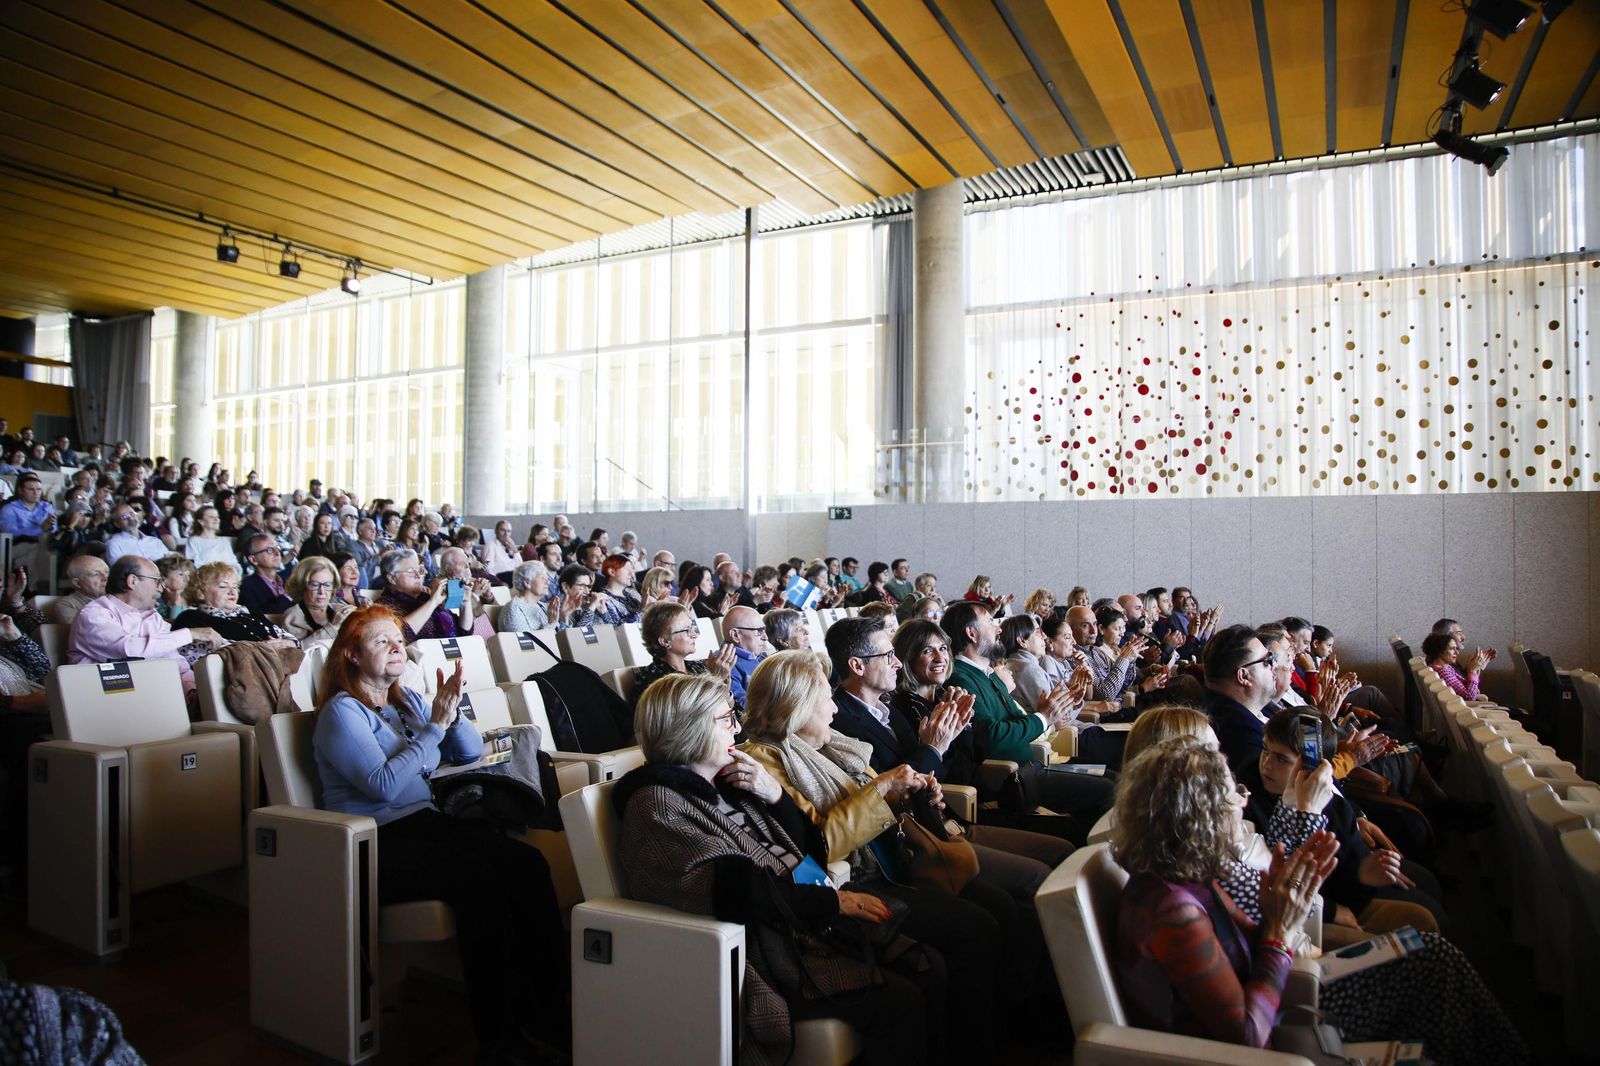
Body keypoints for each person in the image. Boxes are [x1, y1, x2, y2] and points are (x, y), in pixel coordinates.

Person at [615, 672, 946, 1066]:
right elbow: (735, 891)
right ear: (692, 729)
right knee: (903, 999)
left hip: (803, 922)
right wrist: (834, 904)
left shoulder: (730, 783)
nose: (736, 727)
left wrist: (775, 796)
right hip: (768, 953)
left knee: (928, 963)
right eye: (726, 719)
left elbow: (811, 852)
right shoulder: (656, 805)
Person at [313, 606, 569, 1061]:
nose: (396, 646)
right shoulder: (343, 713)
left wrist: (447, 712)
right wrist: (433, 729)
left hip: (426, 823)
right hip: (376, 841)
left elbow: (469, 750)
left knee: (526, 863)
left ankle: (548, 1009)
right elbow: (383, 786)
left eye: (398, 639)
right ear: (351, 655)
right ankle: (499, 1037)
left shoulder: (406, 700)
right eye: (380, 641)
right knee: (479, 880)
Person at [737, 650, 1005, 1064]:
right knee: (975, 928)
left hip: (893, 860)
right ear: (795, 707)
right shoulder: (765, 760)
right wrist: (880, 789)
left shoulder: (828, 747)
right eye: (824, 698)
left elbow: (865, 807)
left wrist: (914, 796)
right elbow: (820, 841)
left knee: (992, 907)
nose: (832, 707)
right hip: (854, 882)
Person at [941, 600, 1116, 833]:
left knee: (1112, 778)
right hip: (1012, 781)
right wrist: (1043, 717)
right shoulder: (962, 679)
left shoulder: (988, 675)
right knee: (1108, 791)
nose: (998, 629)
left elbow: (1017, 720)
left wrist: (1049, 715)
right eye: (991, 623)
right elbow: (991, 737)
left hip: (1030, 769)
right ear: (971, 634)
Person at [68, 556, 224, 697]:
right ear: (132, 581)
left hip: (149, 694)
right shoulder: (93, 614)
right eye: (156, 580)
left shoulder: (153, 617)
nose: (161, 588)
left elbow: (176, 663)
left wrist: (192, 690)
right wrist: (189, 634)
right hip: (102, 695)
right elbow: (128, 650)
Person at [630, 602, 735, 710]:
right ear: (665, 641)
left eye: (692, 628)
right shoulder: (653, 681)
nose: (695, 635)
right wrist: (716, 680)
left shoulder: (698, 666)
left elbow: (731, 710)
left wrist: (724, 688)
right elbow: (689, 719)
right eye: (686, 630)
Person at [172, 562, 297, 646]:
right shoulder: (190, 618)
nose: (232, 591)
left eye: (235, 587)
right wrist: (264, 649)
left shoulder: (248, 612)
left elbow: (291, 639)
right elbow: (210, 653)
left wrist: (286, 643)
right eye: (223, 586)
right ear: (200, 593)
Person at [375, 548, 466, 643]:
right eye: (410, 571)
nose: (418, 575)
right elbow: (400, 636)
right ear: (392, 578)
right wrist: (432, 603)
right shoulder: (384, 605)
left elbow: (464, 632)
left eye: (420, 570)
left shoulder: (426, 596)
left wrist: (466, 603)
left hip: (455, 653)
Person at [280, 556, 355, 648]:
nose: (321, 591)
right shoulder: (292, 617)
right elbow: (301, 650)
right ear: (301, 586)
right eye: (315, 585)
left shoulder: (340, 609)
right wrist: (334, 627)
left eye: (327, 585)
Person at [720, 605, 768, 707]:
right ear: (736, 635)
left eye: (764, 630)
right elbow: (743, 707)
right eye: (759, 631)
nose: (765, 637)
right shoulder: (725, 666)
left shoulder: (760, 655)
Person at [45, 553, 109, 626]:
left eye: (107, 572)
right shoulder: (68, 605)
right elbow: (86, 632)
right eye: (96, 574)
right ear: (77, 583)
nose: (105, 577)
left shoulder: (116, 598)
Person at [1423, 631, 1488, 701]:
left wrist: (1476, 668)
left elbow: (1472, 690)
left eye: (1456, 648)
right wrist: (1472, 671)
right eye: (1451, 649)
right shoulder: (1442, 673)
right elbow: (1469, 697)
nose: (1457, 652)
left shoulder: (1445, 667)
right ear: (1440, 652)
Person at [239, 535, 294, 614]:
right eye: (270, 550)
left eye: (277, 548)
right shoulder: (247, 586)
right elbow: (256, 616)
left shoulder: (288, 580)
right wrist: (286, 598)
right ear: (253, 559)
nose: (278, 553)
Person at [103, 503, 167, 564]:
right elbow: (120, 570)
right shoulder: (114, 544)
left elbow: (170, 560)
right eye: (124, 517)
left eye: (132, 513)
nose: (130, 518)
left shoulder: (155, 541)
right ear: (117, 524)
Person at [0, 474, 56, 542]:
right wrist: (40, 528)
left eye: (39, 489)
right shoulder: (9, 509)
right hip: (20, 547)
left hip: (47, 543)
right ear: (20, 490)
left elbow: (54, 529)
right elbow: (10, 534)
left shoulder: (47, 506)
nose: (36, 493)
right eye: (31, 489)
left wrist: (50, 527)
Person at [497, 562, 550, 633]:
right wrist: (551, 624)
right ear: (527, 583)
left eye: (547, 578)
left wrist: (565, 616)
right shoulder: (514, 609)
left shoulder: (543, 606)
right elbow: (527, 642)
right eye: (542, 578)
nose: (547, 582)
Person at [183, 504, 239, 570]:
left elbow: (233, 563)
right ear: (201, 521)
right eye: (211, 516)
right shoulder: (194, 540)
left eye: (217, 517)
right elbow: (194, 564)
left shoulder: (224, 541)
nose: (216, 519)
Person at [593, 555, 643, 625]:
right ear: (611, 572)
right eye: (626, 569)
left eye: (632, 569)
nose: (631, 574)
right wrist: (642, 608)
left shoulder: (632, 593)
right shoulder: (603, 599)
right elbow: (617, 627)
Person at [155, 553, 193, 621]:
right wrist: (176, 603)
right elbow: (175, 628)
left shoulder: (191, 598)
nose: (187, 579)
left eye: (188, 575)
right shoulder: (157, 603)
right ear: (163, 580)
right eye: (181, 574)